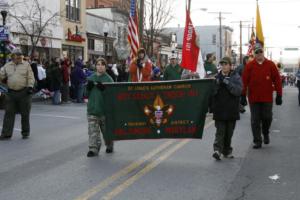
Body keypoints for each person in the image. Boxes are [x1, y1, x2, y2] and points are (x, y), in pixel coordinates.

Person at [241, 43, 282, 149]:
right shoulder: (249, 66)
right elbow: (244, 81)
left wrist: (279, 95)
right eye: (257, 52)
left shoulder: (271, 65)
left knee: (267, 117)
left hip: (267, 97)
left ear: (263, 52)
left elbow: (277, 80)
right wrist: (242, 96)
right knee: (255, 119)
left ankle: (265, 132)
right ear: (254, 54)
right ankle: (257, 141)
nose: (259, 54)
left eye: (260, 52)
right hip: (253, 98)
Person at [210, 57, 242, 160]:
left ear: (230, 65)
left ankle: (227, 150)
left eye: (226, 64)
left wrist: (227, 83)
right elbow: (211, 93)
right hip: (220, 109)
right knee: (220, 132)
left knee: (229, 133)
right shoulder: (216, 77)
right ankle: (217, 151)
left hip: (231, 109)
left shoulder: (236, 77)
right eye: (222, 64)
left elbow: (238, 91)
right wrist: (217, 84)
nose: (224, 66)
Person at [0, 48, 35, 140]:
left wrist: (30, 87)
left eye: (20, 55)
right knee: (8, 113)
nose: (18, 57)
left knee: (25, 113)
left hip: (24, 92)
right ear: (12, 56)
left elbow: (31, 77)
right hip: (11, 93)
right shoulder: (7, 65)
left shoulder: (26, 65)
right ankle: (6, 133)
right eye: (16, 55)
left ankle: (25, 132)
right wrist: (2, 78)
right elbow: (1, 74)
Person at [86, 58, 114, 157]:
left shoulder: (109, 79)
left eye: (102, 65)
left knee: (106, 131)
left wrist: (104, 90)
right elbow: (86, 94)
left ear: (105, 67)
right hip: (92, 110)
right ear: (95, 66)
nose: (100, 66)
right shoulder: (91, 78)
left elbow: (112, 95)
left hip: (104, 111)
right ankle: (93, 148)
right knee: (93, 131)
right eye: (98, 64)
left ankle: (109, 145)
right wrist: (88, 88)